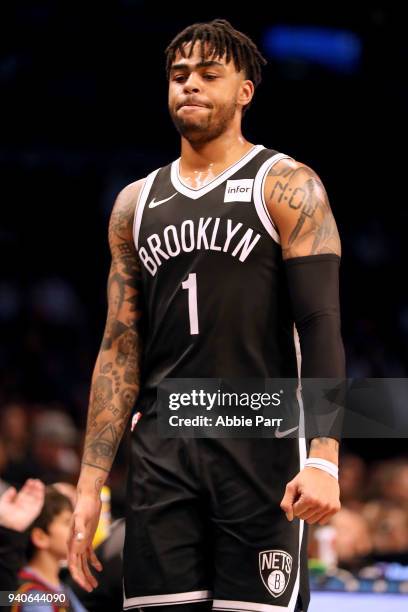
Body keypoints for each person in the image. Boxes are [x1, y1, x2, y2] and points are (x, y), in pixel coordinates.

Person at [68, 19, 345, 612]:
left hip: (261, 442)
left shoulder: (288, 185)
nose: (189, 85)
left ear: (245, 91)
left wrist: (325, 455)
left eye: (208, 74)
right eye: (178, 75)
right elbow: (118, 349)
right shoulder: (134, 204)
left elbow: (321, 327)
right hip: (163, 448)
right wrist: (89, 485)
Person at [13, 485, 86, 612]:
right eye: (67, 522)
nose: (76, 529)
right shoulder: (30, 594)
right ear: (40, 537)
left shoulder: (60, 588)